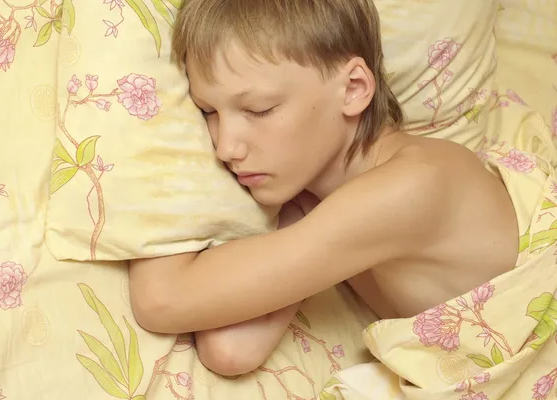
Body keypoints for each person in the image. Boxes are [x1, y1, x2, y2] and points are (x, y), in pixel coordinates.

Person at [129, 0, 519, 378]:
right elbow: (232, 349)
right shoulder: (313, 196)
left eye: (260, 109)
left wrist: (149, 158)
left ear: (352, 89)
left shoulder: (412, 186)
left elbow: (162, 300)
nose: (225, 146)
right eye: (208, 112)